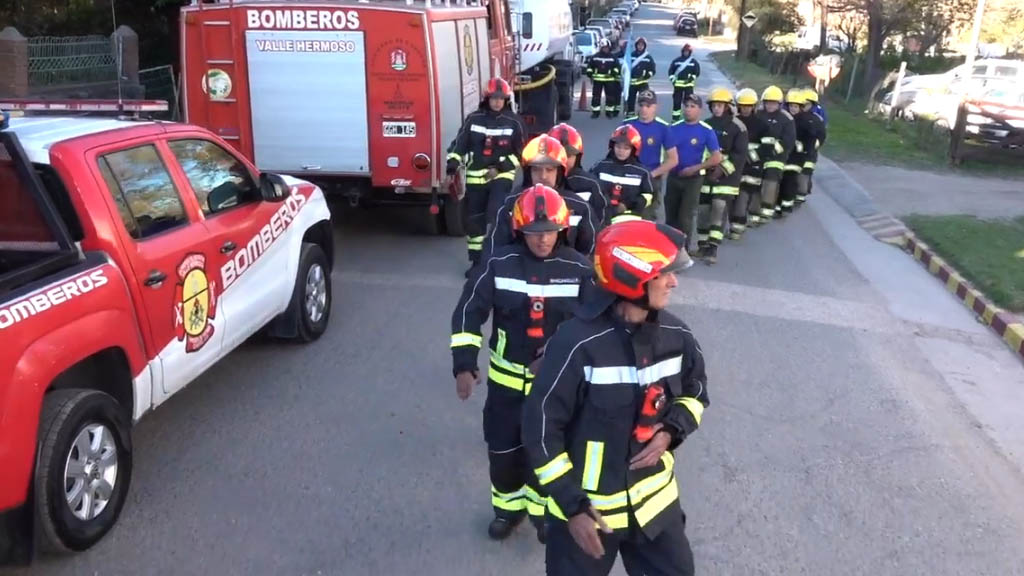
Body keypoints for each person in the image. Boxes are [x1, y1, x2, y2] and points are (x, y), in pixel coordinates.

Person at [522, 219, 709, 576]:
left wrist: (671, 430)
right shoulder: (576, 345)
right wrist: (572, 507)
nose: (674, 281)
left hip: (656, 511)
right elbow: (540, 430)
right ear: (632, 278)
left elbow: (696, 393)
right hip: (589, 516)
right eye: (665, 273)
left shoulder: (677, 336)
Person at [450, 185, 594, 544]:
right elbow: (469, 312)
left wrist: (561, 355)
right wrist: (464, 364)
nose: (542, 240)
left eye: (548, 232)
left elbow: (595, 327)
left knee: (547, 457)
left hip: (555, 391)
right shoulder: (499, 264)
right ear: (519, 231)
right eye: (533, 233)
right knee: (502, 453)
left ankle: (544, 515)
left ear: (561, 229)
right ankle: (507, 510)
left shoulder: (579, 269)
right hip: (506, 388)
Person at [446, 77, 526, 269]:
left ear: (506, 99)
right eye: (493, 97)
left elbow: (521, 152)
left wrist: (499, 168)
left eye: (501, 98)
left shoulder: (514, 122)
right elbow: (459, 146)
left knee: (496, 213)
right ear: (486, 98)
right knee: (474, 222)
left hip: (501, 176)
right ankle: (477, 263)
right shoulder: (474, 119)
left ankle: (501, 258)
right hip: (475, 177)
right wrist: (452, 167)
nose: (497, 102)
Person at [485, 135, 598, 257]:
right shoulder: (511, 204)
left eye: (549, 170)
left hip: (564, 272)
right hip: (521, 272)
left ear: (559, 172)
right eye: (536, 170)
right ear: (528, 173)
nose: (543, 176)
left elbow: (591, 252)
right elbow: (494, 250)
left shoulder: (579, 207)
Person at [697, 87, 747, 264]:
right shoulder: (706, 124)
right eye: (714, 105)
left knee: (718, 208)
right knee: (703, 211)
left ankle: (713, 248)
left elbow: (740, 154)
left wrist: (722, 169)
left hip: (727, 178)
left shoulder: (738, 127)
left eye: (720, 105)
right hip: (706, 175)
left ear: (728, 106)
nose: (717, 108)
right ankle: (702, 245)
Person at [667, 94, 721, 253]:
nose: (688, 110)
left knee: (685, 216)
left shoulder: (706, 131)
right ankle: (669, 250)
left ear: (700, 110)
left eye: (692, 106)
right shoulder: (674, 128)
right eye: (686, 106)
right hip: (674, 176)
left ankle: (683, 250)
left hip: (694, 179)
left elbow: (716, 157)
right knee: (671, 216)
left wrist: (695, 168)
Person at [625, 90, 679, 223]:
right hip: (628, 177)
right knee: (625, 216)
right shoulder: (627, 125)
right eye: (641, 105)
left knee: (647, 218)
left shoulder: (663, 128)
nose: (644, 109)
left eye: (648, 106)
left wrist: (652, 174)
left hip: (651, 179)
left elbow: (673, 159)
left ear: (655, 107)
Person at [590, 125, 654, 226]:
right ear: (612, 146)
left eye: (626, 148)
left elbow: (649, 195)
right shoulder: (600, 166)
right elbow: (590, 187)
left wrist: (628, 205)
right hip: (603, 216)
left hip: (630, 220)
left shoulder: (642, 172)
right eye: (618, 147)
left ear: (634, 149)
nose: (621, 151)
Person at [549, 123, 608, 231]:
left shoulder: (591, 185)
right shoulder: (538, 182)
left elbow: (601, 221)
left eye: (569, 155)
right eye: (558, 154)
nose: (564, 159)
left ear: (578, 157)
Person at [753, 85, 795, 222]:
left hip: (776, 157)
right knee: (755, 183)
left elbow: (788, 140)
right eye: (767, 102)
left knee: (770, 181)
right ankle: (754, 211)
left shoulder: (786, 119)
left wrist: (772, 151)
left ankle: (766, 212)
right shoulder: (757, 115)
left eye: (773, 103)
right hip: (758, 155)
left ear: (779, 104)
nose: (770, 105)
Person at [732, 88, 768, 237]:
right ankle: (735, 223)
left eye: (748, 106)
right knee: (732, 198)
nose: (745, 109)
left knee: (744, 195)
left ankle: (737, 228)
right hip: (735, 166)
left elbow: (768, 146)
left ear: (754, 106)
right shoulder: (733, 122)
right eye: (742, 106)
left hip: (753, 167)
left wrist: (751, 157)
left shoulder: (762, 125)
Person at [795, 88, 827, 206]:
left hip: (810, 153)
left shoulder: (817, 119)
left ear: (812, 104)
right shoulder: (796, 117)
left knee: (805, 172)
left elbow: (821, 137)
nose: (803, 106)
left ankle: (801, 193)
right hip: (797, 152)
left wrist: (811, 147)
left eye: (806, 104)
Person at [586, 39, 623, 119]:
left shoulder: (613, 57)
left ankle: (609, 112)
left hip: (609, 80)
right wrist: (589, 72)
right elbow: (589, 67)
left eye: (606, 47)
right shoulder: (595, 57)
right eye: (604, 47)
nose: (605, 49)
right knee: (596, 96)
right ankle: (595, 112)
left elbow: (617, 67)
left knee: (610, 97)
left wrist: (614, 72)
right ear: (601, 48)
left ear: (609, 47)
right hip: (598, 80)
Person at [625, 37, 656, 119]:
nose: (640, 46)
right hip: (632, 83)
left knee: (644, 100)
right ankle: (630, 115)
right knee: (631, 100)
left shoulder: (648, 57)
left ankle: (642, 114)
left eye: (642, 45)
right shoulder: (631, 56)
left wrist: (648, 75)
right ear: (636, 45)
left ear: (644, 46)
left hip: (643, 83)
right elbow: (626, 66)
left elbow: (653, 70)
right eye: (639, 45)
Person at [667, 44, 700, 122]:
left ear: (690, 52)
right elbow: (671, 71)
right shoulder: (676, 61)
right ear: (682, 51)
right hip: (678, 86)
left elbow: (697, 72)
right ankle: (675, 118)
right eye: (685, 51)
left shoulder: (694, 62)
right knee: (676, 102)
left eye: (687, 51)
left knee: (688, 103)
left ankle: (687, 117)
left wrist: (691, 78)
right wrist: (673, 80)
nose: (686, 53)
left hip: (689, 86)